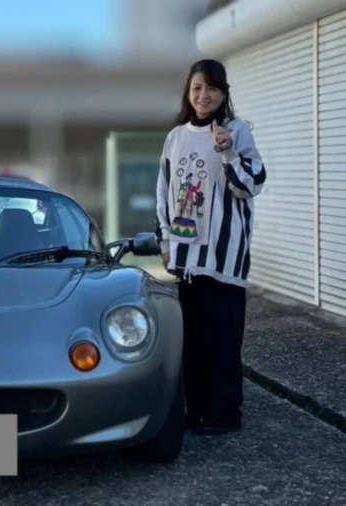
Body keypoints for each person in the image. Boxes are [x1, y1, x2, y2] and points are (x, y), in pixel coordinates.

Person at [154, 59, 267, 435]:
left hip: (224, 259)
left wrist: (228, 152)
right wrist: (166, 244)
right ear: (188, 92)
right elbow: (164, 194)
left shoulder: (237, 131)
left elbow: (251, 185)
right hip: (186, 260)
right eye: (197, 88)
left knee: (223, 340)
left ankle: (225, 414)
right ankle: (197, 409)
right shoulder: (175, 137)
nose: (204, 95)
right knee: (193, 342)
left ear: (223, 93)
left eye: (212, 88)